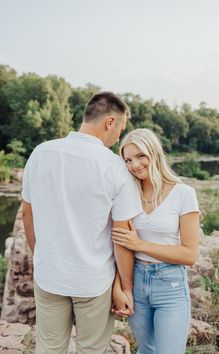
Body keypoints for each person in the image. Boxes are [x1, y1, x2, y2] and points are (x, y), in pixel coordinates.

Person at [22, 92, 143, 354]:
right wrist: (126, 287)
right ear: (109, 122)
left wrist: (40, 254)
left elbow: (27, 214)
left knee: (49, 348)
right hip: (93, 281)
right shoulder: (114, 167)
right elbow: (122, 234)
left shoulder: (41, 153)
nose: (117, 138)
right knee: (91, 349)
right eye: (120, 130)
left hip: (50, 274)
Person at [112, 128, 200, 354]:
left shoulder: (184, 193)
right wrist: (119, 288)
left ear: (154, 152)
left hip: (170, 284)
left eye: (140, 155)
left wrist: (141, 245)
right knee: (147, 350)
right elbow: (117, 245)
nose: (135, 165)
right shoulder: (126, 193)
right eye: (128, 160)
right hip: (136, 281)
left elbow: (189, 255)